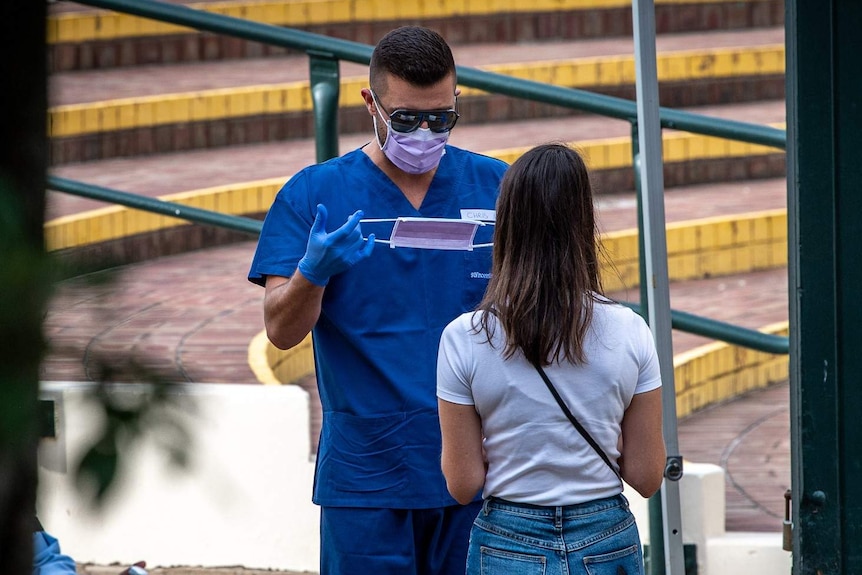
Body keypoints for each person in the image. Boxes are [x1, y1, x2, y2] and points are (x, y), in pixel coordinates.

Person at [247, 25, 509, 575]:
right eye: (408, 118)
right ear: (371, 103)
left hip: (481, 467)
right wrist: (312, 275)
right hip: (368, 475)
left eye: (441, 118)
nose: (425, 132)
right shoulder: (315, 194)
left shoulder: (499, 187)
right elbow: (281, 330)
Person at [436, 143, 666, 574]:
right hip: (605, 537)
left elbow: (463, 484)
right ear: (584, 223)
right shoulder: (630, 330)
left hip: (507, 540)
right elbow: (648, 475)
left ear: (506, 224)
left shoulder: (464, 337)